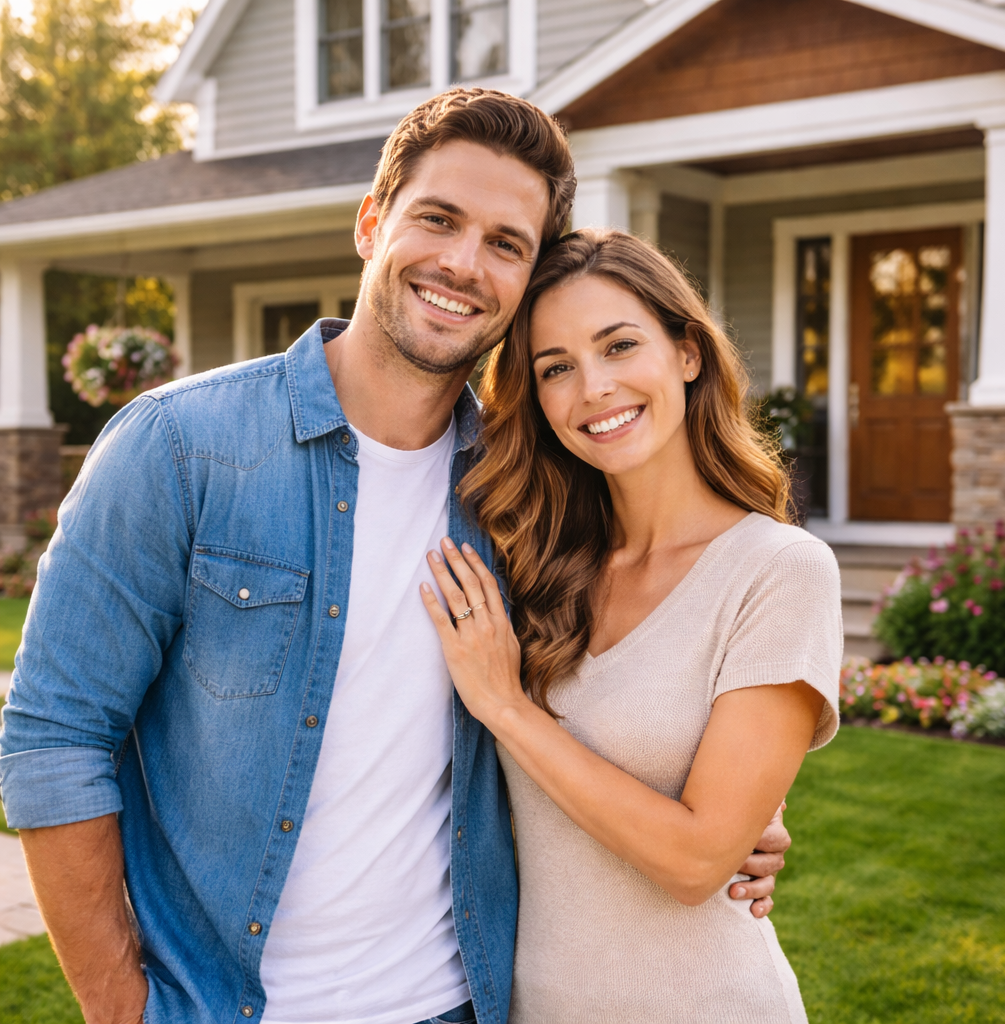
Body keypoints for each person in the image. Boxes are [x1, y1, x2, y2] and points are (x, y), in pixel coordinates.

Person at [0, 91, 787, 1024]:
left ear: (527, 280)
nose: (463, 262)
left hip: (456, 1004)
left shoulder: (525, 490)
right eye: (439, 219)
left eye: (506, 243)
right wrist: (119, 1008)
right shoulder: (179, 448)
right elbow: (54, 739)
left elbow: (618, 681)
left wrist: (737, 818)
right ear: (373, 223)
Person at [420, 229, 843, 1023]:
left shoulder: (779, 570)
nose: (594, 389)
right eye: (556, 368)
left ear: (687, 352)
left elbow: (694, 861)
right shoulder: (532, 568)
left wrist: (507, 707)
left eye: (619, 346)